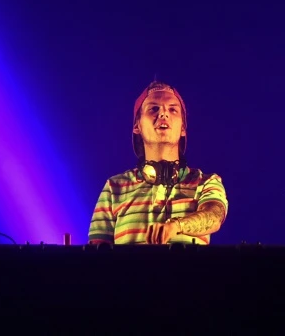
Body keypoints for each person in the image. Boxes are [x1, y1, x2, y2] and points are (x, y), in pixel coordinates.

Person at [88, 80, 228, 245]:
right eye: (154, 108)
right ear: (137, 125)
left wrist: (177, 226)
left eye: (172, 109)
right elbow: (96, 255)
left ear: (183, 128)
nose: (163, 114)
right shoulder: (114, 188)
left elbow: (215, 215)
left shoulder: (205, 182)